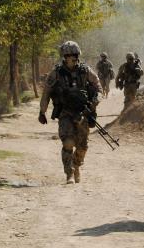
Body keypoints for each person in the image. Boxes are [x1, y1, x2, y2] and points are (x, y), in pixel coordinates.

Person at [38, 41, 102, 184]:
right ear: (64, 56)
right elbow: (46, 92)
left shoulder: (86, 71)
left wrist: (94, 103)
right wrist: (42, 112)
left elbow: (98, 88)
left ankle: (76, 165)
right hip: (65, 112)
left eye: (75, 54)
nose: (73, 57)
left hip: (83, 113)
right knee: (68, 142)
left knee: (83, 146)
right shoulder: (56, 73)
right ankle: (69, 173)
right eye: (70, 55)